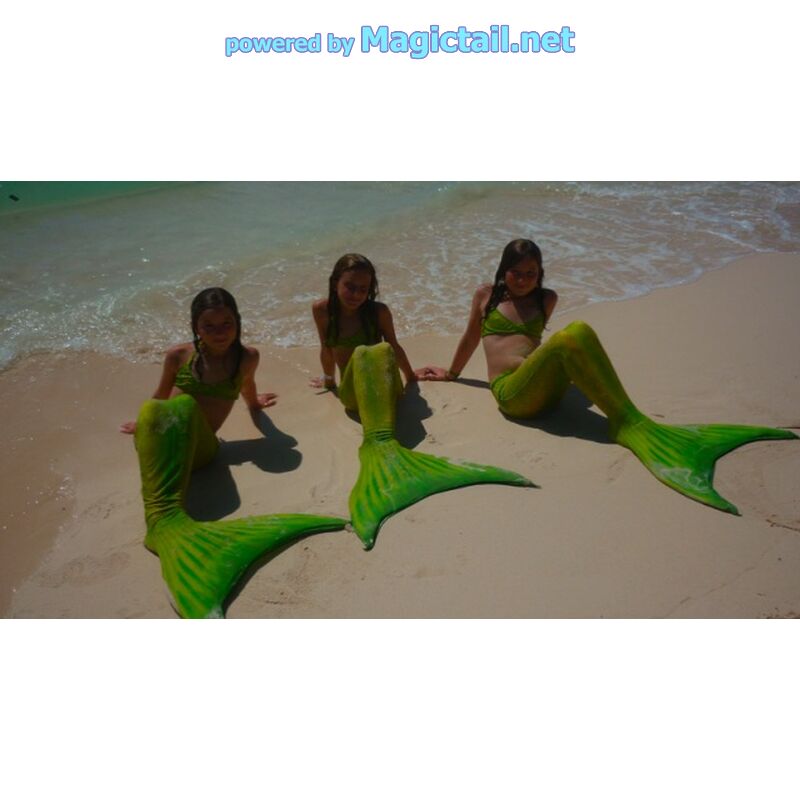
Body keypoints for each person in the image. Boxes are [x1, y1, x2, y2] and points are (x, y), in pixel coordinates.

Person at [417, 238, 797, 514]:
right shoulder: (485, 296)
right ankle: (630, 423)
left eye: (531, 273)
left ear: (540, 274)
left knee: (574, 336)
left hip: (547, 391)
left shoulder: (546, 299)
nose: (523, 279)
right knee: (573, 334)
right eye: (516, 272)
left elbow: (534, 347)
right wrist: (452, 373)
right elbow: (471, 337)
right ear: (504, 271)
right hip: (513, 396)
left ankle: (632, 422)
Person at [124, 287, 345, 618]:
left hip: (202, 453)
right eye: (209, 326)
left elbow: (247, 387)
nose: (219, 332)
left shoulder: (246, 357)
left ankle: (165, 521)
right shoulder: (178, 356)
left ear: (237, 322)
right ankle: (161, 521)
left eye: (226, 324)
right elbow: (159, 397)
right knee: (160, 409)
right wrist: (144, 423)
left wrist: (255, 405)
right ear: (196, 327)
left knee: (183, 406)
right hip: (168, 449)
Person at [311, 254, 531, 549]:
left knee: (378, 350)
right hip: (354, 398)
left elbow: (394, 345)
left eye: (363, 289)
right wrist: (329, 381)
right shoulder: (322, 310)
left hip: (386, 393)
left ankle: (383, 447)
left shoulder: (378, 312)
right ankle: (380, 448)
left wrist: (410, 376)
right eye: (350, 286)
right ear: (335, 282)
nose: (356, 294)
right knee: (365, 352)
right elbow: (326, 348)